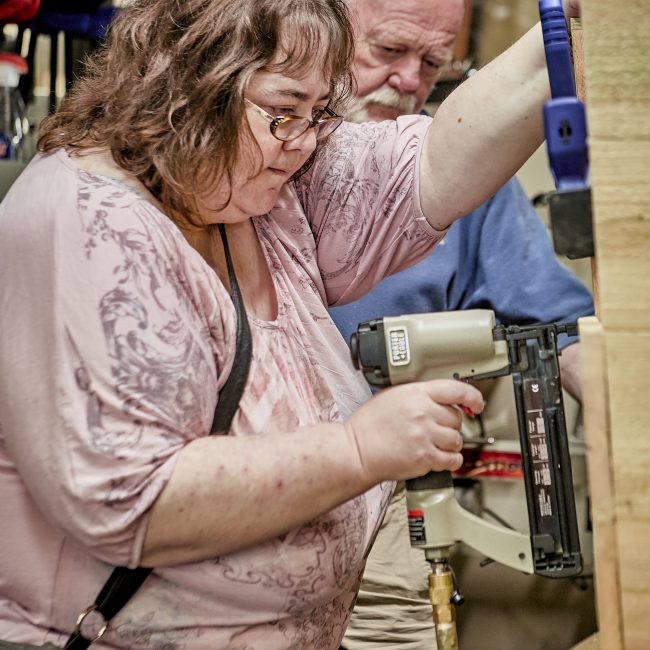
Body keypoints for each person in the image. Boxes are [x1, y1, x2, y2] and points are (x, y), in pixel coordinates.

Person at [0, 0, 580, 648]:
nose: (304, 141)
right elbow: (130, 498)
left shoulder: (261, 185)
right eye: (284, 113)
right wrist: (357, 450)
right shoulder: (86, 223)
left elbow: (434, 165)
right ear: (194, 84)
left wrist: (567, 23)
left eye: (320, 115)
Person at [333, 0, 594, 648]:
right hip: (233, 514)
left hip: (383, 518)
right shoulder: (252, 161)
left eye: (431, 63)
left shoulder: (467, 184)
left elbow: (565, 331)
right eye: (388, 52)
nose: (408, 81)